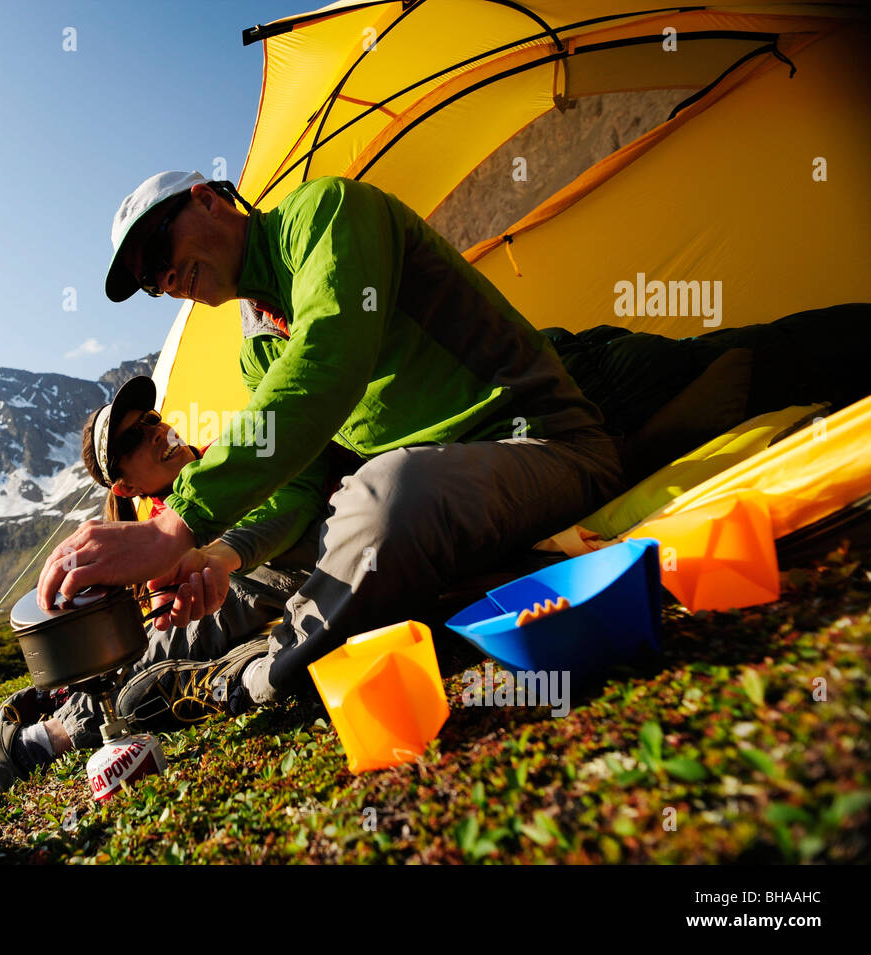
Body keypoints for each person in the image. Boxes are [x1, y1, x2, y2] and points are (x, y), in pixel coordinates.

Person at [37, 170, 626, 723]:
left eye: (157, 252)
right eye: (148, 280)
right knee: (338, 520)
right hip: (448, 490)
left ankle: (258, 677)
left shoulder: (327, 213)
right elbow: (296, 485)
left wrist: (178, 525)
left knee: (383, 493)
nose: (163, 279)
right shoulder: (258, 347)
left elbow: (328, 357)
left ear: (206, 199)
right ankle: (93, 706)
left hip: (543, 447)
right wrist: (221, 556)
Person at [0, 374, 330, 793]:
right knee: (155, 636)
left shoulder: (229, 457)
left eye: (152, 419)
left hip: (275, 575)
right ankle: (57, 703)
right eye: (134, 438)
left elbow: (291, 499)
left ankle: (29, 746)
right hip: (257, 586)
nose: (157, 431)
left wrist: (213, 555)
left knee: (165, 642)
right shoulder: (152, 526)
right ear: (126, 486)